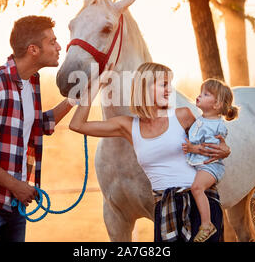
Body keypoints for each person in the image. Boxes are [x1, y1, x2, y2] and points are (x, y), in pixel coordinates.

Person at [69, 62, 231, 242]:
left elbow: (210, 143)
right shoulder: (128, 126)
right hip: (164, 209)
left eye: (170, 84)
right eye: (164, 85)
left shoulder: (182, 116)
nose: (170, 90)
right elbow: (77, 125)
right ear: (144, 88)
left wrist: (225, 150)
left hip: (199, 205)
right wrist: (97, 85)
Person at [0, 15, 75, 242]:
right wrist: (17, 186)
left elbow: (39, 126)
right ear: (33, 49)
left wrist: (74, 98)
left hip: (14, 202)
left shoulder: (30, 84)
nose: (59, 46)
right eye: (52, 41)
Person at [181, 79, 239, 242]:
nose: (199, 96)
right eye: (201, 92)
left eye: (205, 94)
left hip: (210, 167)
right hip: (200, 165)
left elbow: (212, 150)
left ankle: (206, 224)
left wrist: (193, 148)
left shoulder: (217, 126)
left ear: (217, 104)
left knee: (197, 188)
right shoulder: (200, 120)